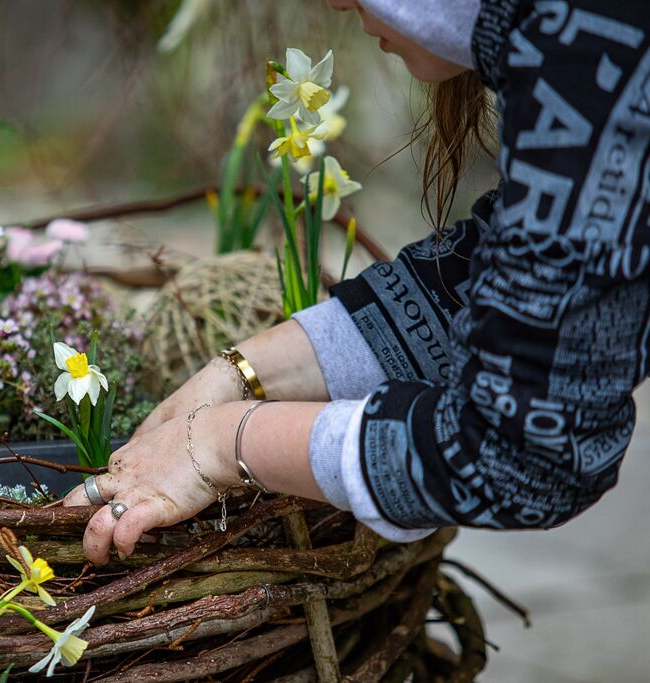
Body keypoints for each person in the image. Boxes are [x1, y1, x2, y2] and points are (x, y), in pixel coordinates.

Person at [64, 0, 650, 566]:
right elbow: (510, 277)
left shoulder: (589, 48)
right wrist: (235, 376)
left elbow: (519, 452)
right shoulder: (575, 38)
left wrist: (222, 444)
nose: (336, 2)